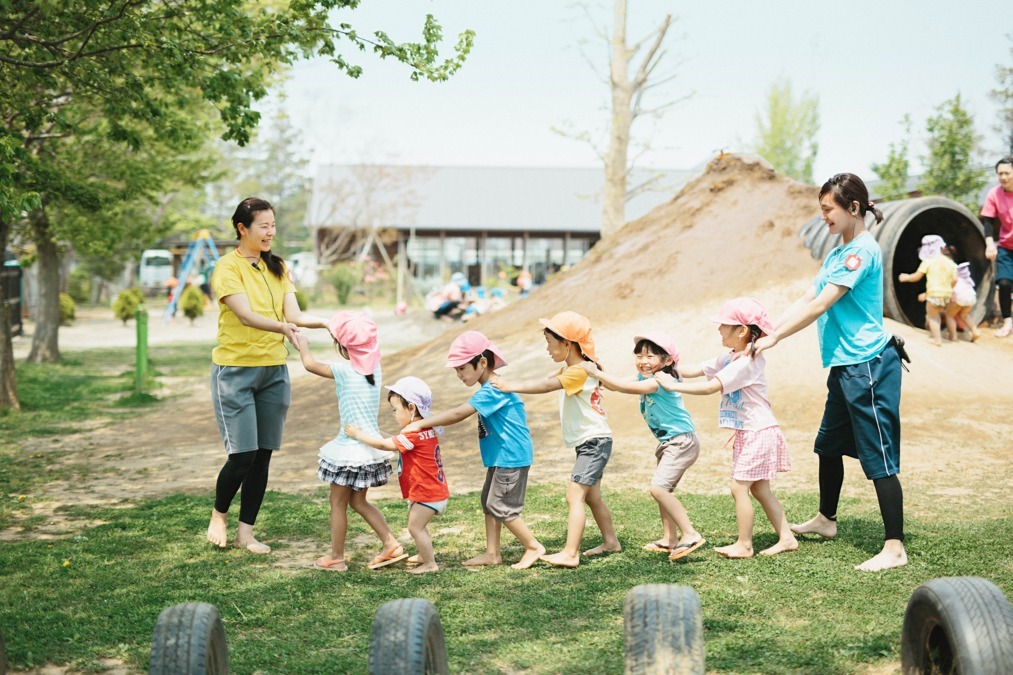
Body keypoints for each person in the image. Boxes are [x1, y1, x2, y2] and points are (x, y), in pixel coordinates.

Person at [753, 173, 908, 572]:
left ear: (853, 208)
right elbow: (807, 296)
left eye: (828, 209)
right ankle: (826, 519)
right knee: (828, 445)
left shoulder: (862, 252)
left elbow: (822, 304)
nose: (823, 217)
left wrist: (776, 340)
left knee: (879, 457)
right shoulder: (838, 253)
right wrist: (768, 331)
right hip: (844, 366)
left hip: (869, 365)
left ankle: (894, 547)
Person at [207, 197, 327, 554]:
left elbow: (295, 313)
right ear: (242, 229)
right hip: (236, 370)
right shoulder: (227, 268)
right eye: (263, 226)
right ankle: (219, 514)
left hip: (274, 370)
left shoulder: (278, 267)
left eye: (273, 225)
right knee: (242, 454)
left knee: (262, 454)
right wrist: (284, 329)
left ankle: (246, 533)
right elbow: (244, 315)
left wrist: (328, 323)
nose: (270, 232)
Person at [655, 299, 796, 559]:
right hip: (749, 431)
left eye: (724, 325)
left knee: (738, 487)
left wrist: (672, 386)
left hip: (758, 431)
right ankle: (786, 537)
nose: (719, 329)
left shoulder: (747, 362)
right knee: (759, 488)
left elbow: (711, 387)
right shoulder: (731, 357)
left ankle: (744, 545)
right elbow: (696, 370)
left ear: (741, 330)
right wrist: (665, 367)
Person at [402, 331, 545, 570]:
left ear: (482, 363)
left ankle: (533, 546)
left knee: (501, 506)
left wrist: (421, 422)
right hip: (500, 457)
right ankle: (492, 553)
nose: (459, 375)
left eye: (462, 368)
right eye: (456, 370)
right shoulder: (490, 388)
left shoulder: (494, 389)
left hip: (511, 457)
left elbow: (459, 413)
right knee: (488, 503)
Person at [493, 311, 621, 568]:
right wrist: (511, 382)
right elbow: (546, 381)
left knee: (574, 496)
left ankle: (570, 553)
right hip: (592, 442)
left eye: (551, 342)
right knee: (592, 497)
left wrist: (510, 386)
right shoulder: (572, 369)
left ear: (567, 343)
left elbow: (546, 386)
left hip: (594, 443)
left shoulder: (578, 372)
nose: (548, 349)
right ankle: (611, 541)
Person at [577, 332, 706, 561]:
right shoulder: (643, 377)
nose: (643, 361)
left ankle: (691, 533)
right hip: (670, 443)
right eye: (639, 355)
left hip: (681, 442)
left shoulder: (659, 381)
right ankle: (669, 539)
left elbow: (626, 389)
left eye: (650, 356)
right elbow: (619, 385)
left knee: (658, 489)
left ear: (667, 361)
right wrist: (598, 372)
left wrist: (597, 373)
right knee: (663, 490)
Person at [294, 311, 406, 572]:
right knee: (358, 501)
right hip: (368, 449)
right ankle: (390, 544)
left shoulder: (343, 371)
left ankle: (336, 557)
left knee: (338, 503)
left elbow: (310, 365)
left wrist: (303, 345)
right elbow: (358, 348)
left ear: (343, 346)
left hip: (349, 450)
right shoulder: (376, 370)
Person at [345, 376, 450, 575]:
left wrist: (359, 435)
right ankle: (423, 554)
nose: (394, 414)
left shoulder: (413, 434)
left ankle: (430, 563)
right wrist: (373, 431)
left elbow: (387, 445)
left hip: (428, 493)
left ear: (411, 408)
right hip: (433, 491)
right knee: (419, 525)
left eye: (395, 410)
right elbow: (392, 439)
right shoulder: (425, 429)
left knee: (415, 527)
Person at [897, 234, 957, 346]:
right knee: (939, 313)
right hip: (946, 295)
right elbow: (955, 279)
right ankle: (953, 337)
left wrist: (906, 277)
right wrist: (949, 288)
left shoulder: (928, 261)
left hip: (933, 293)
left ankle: (937, 339)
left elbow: (917, 276)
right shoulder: (950, 262)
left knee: (932, 316)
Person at [981, 156, 1013, 337]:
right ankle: (1007, 322)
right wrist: (989, 245)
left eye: (1007, 173)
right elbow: (988, 223)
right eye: (1000, 173)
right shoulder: (994, 194)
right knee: (1004, 282)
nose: (1003, 177)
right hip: (1006, 246)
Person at [949, 260, 982, 342]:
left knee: (949, 316)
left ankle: (953, 336)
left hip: (959, 297)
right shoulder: (966, 279)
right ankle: (975, 331)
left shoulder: (953, 278)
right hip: (971, 297)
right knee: (964, 315)